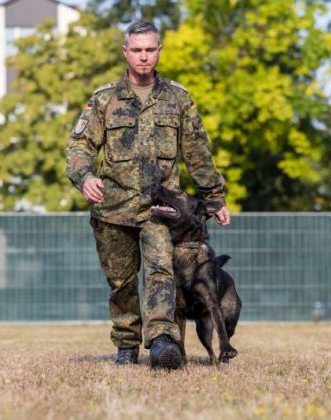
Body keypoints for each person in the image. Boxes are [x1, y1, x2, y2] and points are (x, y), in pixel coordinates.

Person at [65, 20, 230, 370]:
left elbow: (198, 152)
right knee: (121, 283)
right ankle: (126, 344)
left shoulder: (178, 99)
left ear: (158, 52)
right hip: (112, 209)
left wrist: (215, 198)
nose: (143, 57)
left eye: (150, 50)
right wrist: (84, 177)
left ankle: (162, 342)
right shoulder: (104, 99)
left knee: (161, 272)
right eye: (137, 50)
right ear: (126, 52)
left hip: (161, 211)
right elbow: (80, 146)